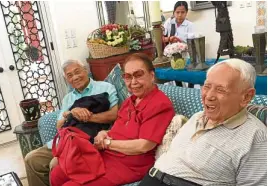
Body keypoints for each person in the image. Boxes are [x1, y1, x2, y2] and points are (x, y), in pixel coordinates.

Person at [50, 53, 175, 186]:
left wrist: (107, 143)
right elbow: (116, 129)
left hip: (130, 164)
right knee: (57, 174)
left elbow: (144, 145)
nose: (133, 82)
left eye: (138, 75)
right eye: (128, 77)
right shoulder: (129, 102)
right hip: (109, 155)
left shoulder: (159, 104)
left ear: (151, 75)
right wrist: (104, 134)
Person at [139, 58, 267, 186]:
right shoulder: (197, 117)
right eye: (206, 86)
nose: (209, 96)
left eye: (220, 90)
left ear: (246, 97)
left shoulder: (255, 136)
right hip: (152, 177)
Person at [24, 59, 119, 186]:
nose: (75, 77)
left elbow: (114, 115)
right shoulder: (68, 98)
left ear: (86, 70)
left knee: (55, 164)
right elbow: (59, 126)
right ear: (67, 80)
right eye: (70, 75)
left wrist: (85, 117)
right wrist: (72, 113)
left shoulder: (105, 87)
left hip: (86, 140)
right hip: (65, 139)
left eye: (77, 72)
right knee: (31, 159)